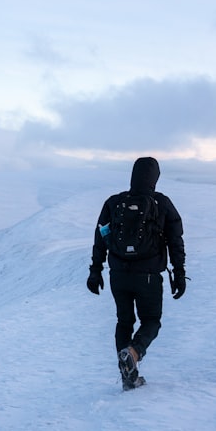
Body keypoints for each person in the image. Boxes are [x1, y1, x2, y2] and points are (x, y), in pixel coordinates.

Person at [87, 157, 186, 389]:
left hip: (118, 275)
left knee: (124, 321)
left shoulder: (114, 202)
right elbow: (176, 241)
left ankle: (127, 376)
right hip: (149, 275)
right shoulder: (162, 204)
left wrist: (95, 271)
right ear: (155, 178)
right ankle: (133, 352)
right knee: (151, 320)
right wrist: (179, 273)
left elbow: (100, 237)